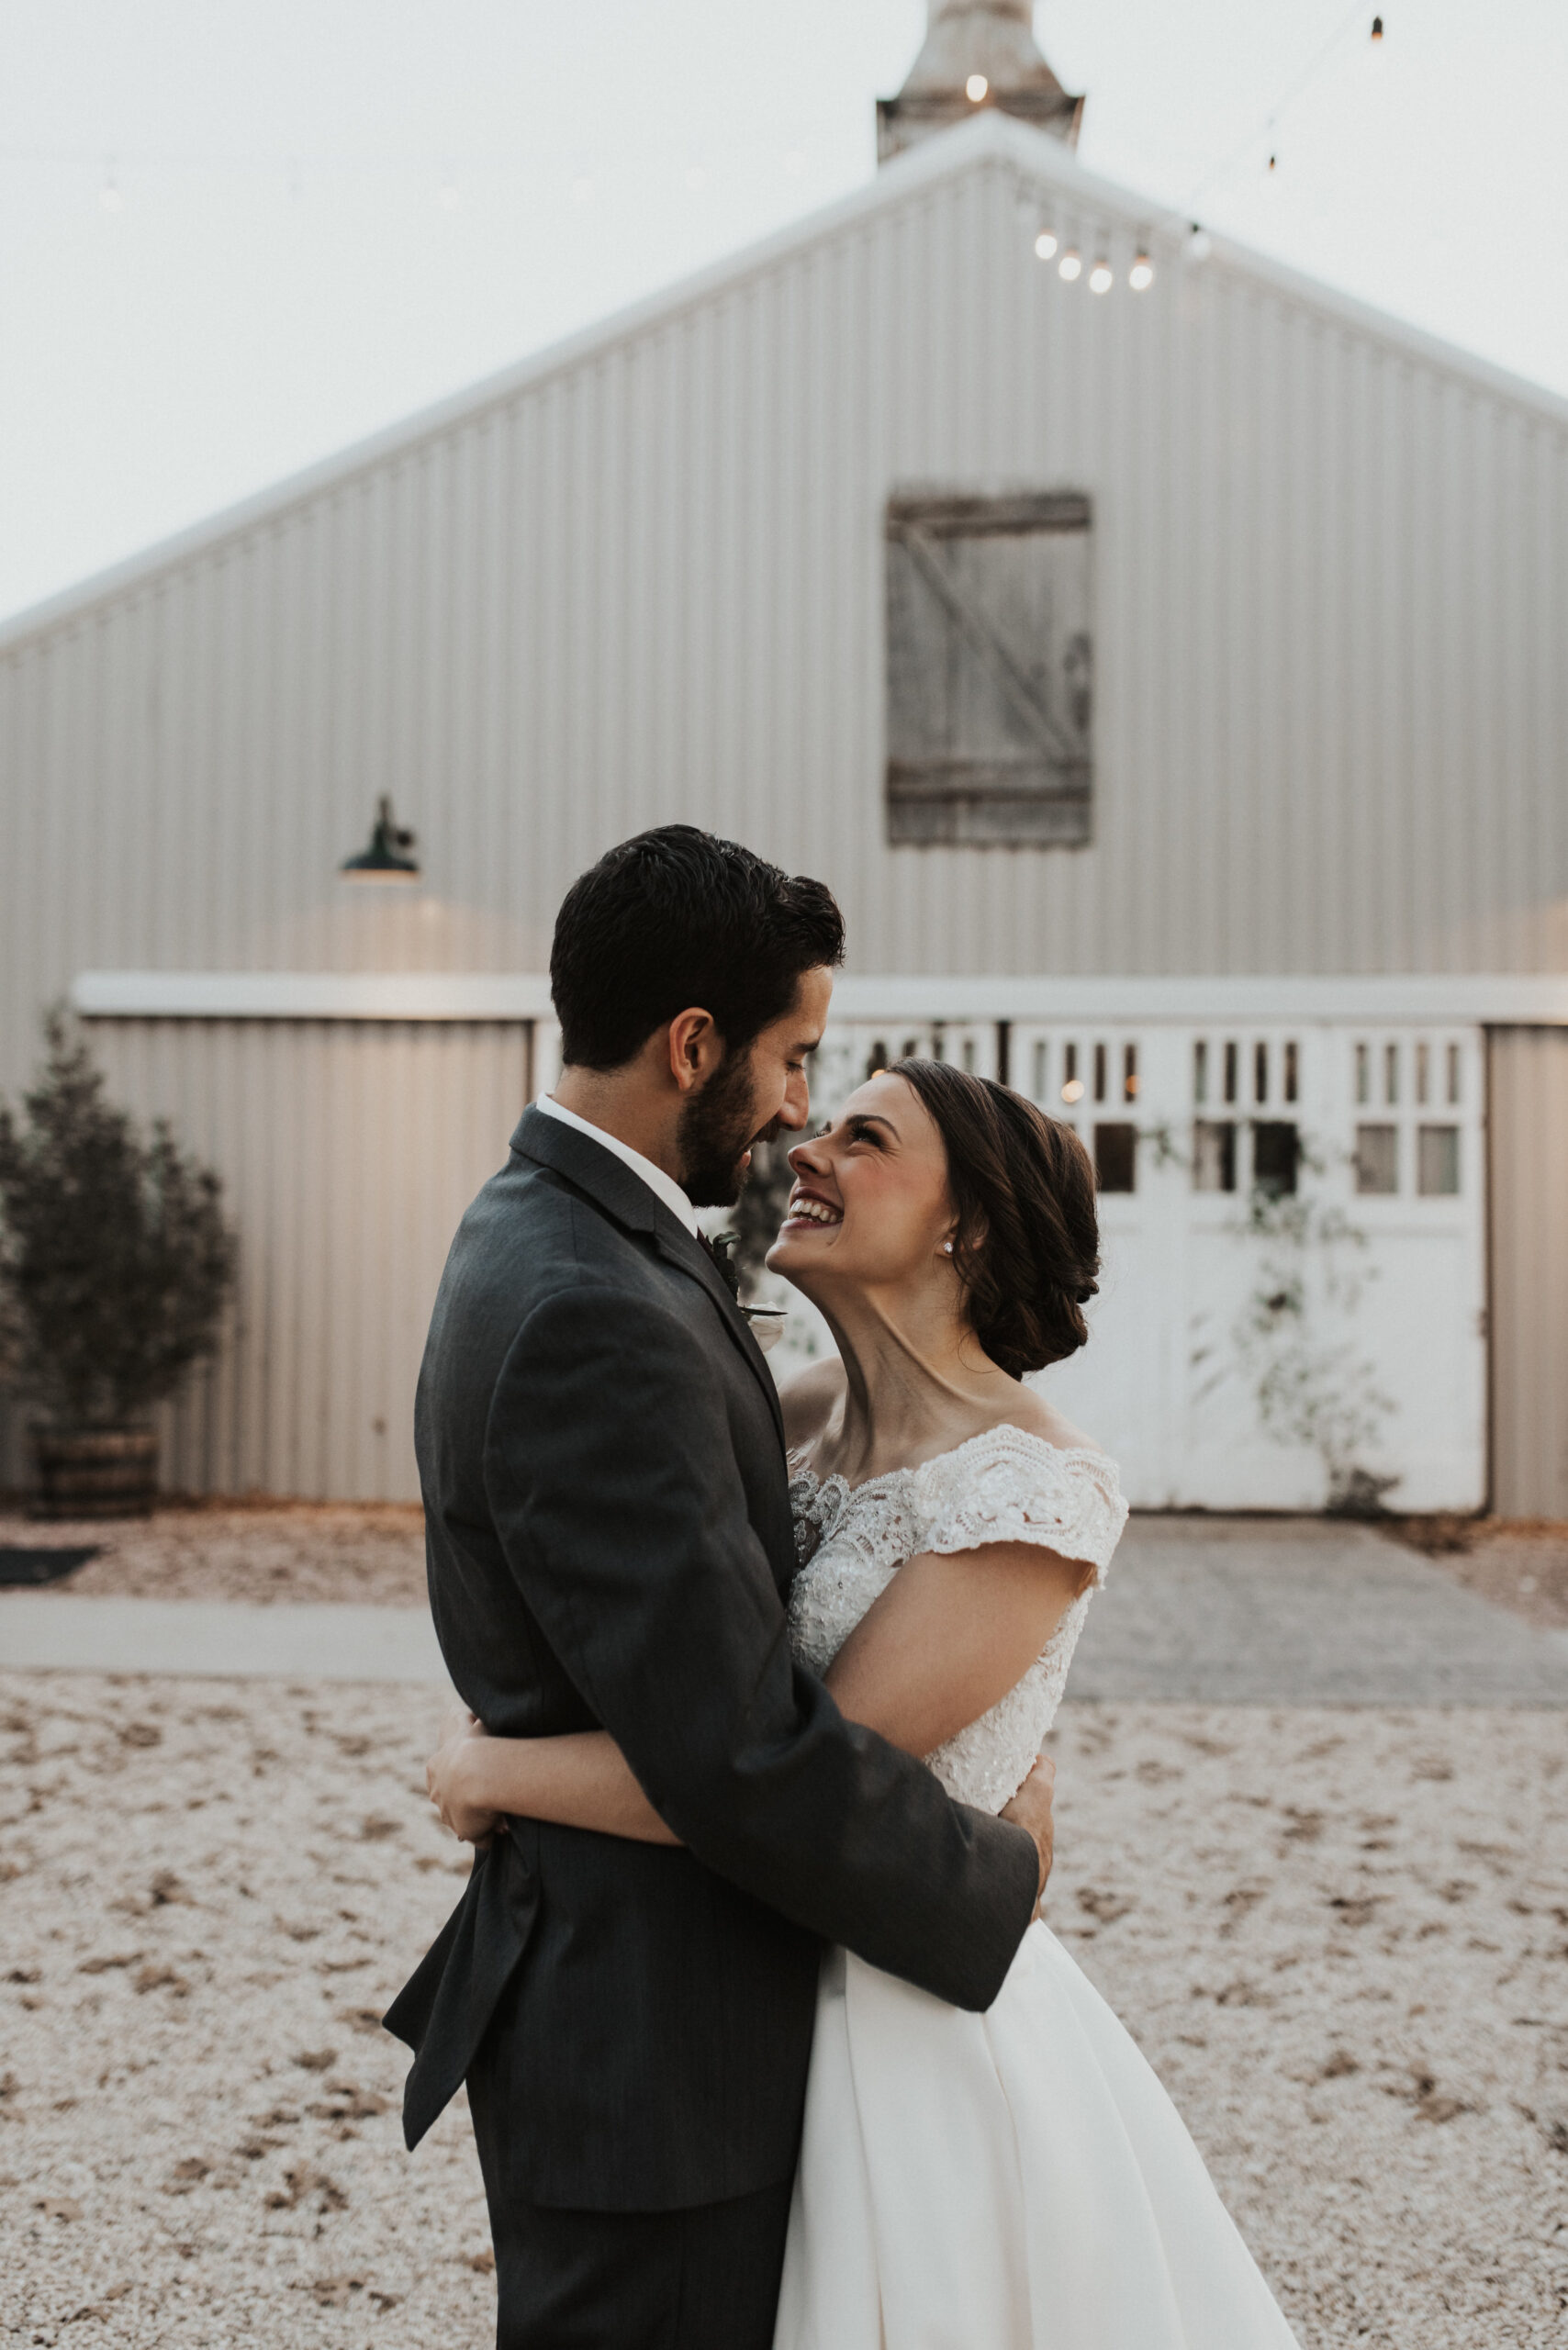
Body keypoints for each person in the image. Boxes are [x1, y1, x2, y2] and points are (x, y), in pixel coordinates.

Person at [428, 1054, 1305, 2349]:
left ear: (970, 1221)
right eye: (822, 1122)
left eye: (866, 1138)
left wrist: (496, 1773)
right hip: (736, 1981)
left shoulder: (1031, 1492)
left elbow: (780, 1769)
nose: (809, 1150)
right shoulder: (795, 1413)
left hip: (901, 2022)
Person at [385, 826, 1057, 2350]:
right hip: (655, 2048)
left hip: (647, 2009)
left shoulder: (552, 1234)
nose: (804, 1110)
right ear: (695, 1045)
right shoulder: (591, 1305)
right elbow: (742, 1752)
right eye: (796, 1055)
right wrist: (994, 1874)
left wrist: (498, 1762)